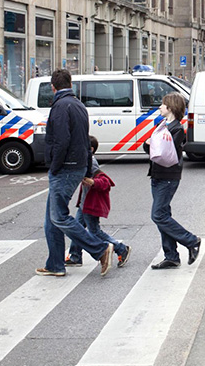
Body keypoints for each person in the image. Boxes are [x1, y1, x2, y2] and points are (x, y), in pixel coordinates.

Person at [38, 69, 114, 277]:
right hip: (77, 164)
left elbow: (61, 140)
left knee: (59, 217)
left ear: (52, 87)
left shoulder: (61, 106)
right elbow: (84, 140)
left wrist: (54, 166)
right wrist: (86, 166)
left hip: (66, 166)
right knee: (51, 218)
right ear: (70, 84)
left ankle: (99, 249)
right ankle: (55, 264)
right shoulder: (78, 104)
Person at [147, 92, 201, 269]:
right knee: (163, 215)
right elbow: (150, 148)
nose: (160, 107)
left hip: (168, 177)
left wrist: (151, 144)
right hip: (157, 175)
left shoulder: (177, 129)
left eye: (163, 104)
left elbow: (163, 153)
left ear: (170, 107)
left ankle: (191, 241)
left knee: (158, 215)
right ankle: (171, 255)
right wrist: (149, 145)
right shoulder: (163, 125)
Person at [66, 136, 131, 269]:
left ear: (90, 149)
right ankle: (75, 256)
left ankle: (121, 248)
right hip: (84, 205)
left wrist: (93, 182)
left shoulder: (92, 163)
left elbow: (105, 182)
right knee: (77, 230)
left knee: (95, 233)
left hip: (91, 205)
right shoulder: (86, 160)